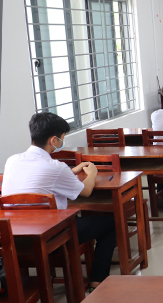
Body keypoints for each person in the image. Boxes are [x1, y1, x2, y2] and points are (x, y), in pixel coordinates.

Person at [2, 113, 116, 291]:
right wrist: (92, 173)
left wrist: (71, 171)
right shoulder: (56, 167)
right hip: (49, 234)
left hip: (13, 235)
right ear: (53, 140)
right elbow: (85, 191)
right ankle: (97, 281)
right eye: (62, 138)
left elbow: (41, 179)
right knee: (110, 223)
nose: (62, 141)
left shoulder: (12, 160)